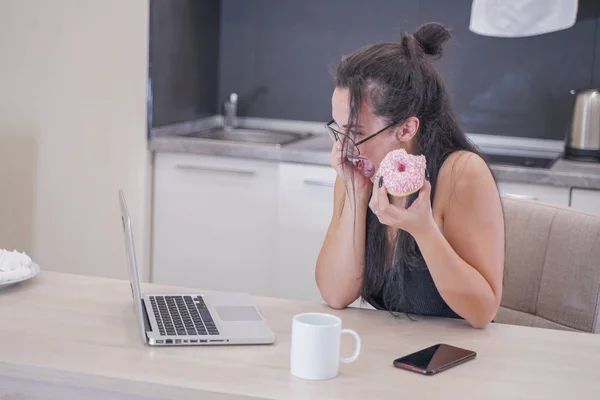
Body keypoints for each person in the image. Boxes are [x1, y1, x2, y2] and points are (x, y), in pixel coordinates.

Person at [315, 22, 505, 329]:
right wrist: (355, 194)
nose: (342, 145)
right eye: (339, 129)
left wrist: (424, 231)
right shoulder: (357, 172)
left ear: (406, 128)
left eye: (356, 131)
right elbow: (335, 294)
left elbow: (482, 311)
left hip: (454, 359)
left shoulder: (460, 173)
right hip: (386, 356)